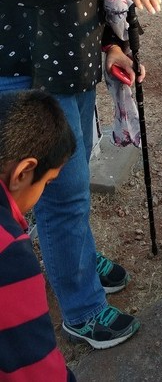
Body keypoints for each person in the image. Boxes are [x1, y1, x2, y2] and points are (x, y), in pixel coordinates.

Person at [0, 0, 162, 349]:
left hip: (70, 68)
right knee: (63, 194)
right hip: (28, 77)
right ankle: (82, 310)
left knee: (69, 190)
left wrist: (111, 48)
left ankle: (80, 261)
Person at [0, 89, 77, 381]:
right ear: (22, 173)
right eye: (48, 181)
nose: (45, 189)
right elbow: (37, 372)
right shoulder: (9, 258)